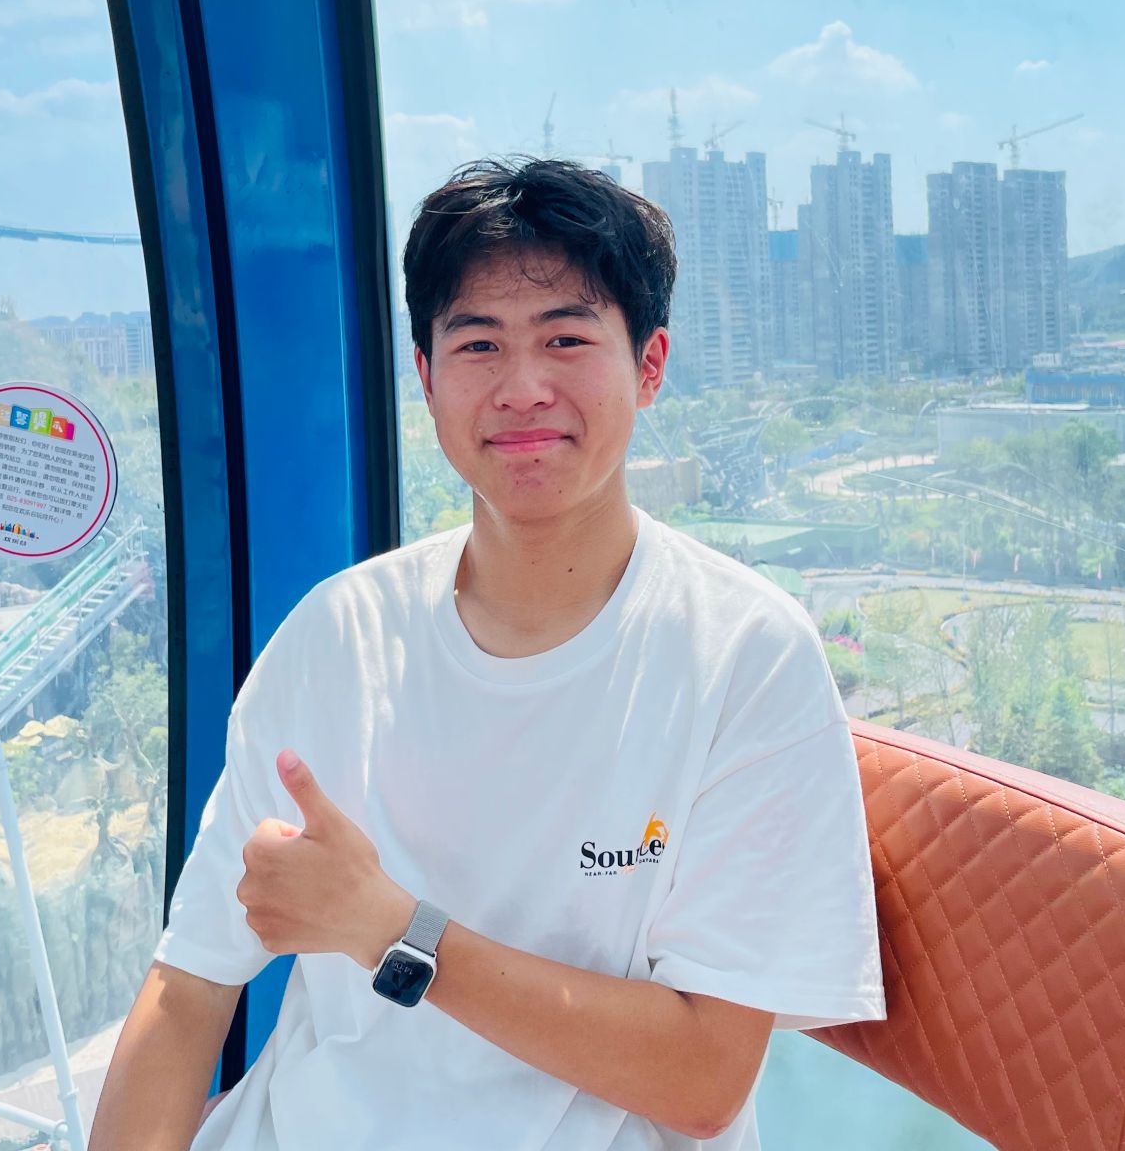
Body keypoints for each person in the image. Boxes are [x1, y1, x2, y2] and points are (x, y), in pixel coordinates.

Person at [92, 158, 882, 1149]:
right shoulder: (338, 634)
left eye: (565, 339)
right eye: (477, 345)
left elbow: (702, 1078)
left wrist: (392, 929)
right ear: (426, 378)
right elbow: (187, 989)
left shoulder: (743, 654)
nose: (522, 388)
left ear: (649, 366)